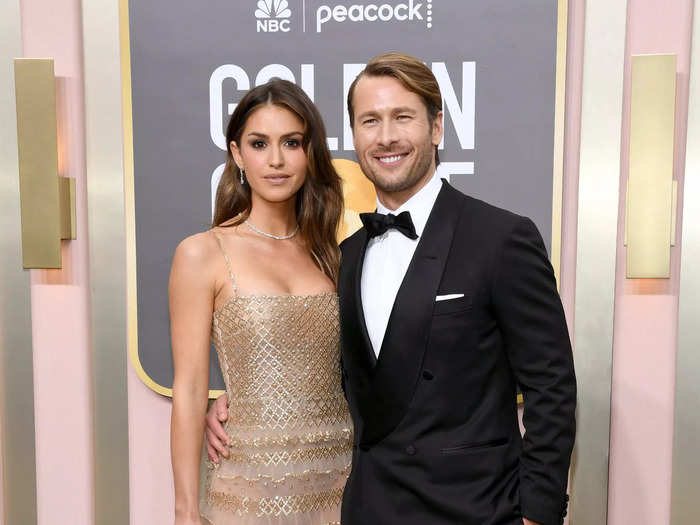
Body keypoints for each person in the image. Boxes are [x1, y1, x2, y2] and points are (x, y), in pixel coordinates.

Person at [207, 53, 577, 525]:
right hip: (370, 508)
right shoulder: (348, 254)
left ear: (437, 127)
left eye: (402, 117)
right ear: (355, 136)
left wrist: (538, 514)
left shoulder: (501, 238)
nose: (386, 137)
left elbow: (552, 385)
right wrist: (241, 402)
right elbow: (342, 374)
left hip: (477, 510)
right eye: (370, 121)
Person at [169, 78, 352, 525]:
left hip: (342, 485)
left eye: (291, 142)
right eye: (259, 143)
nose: (275, 160)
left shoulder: (335, 253)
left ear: (310, 153)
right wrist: (185, 510)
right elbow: (190, 388)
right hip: (246, 492)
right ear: (237, 154)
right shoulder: (202, 253)